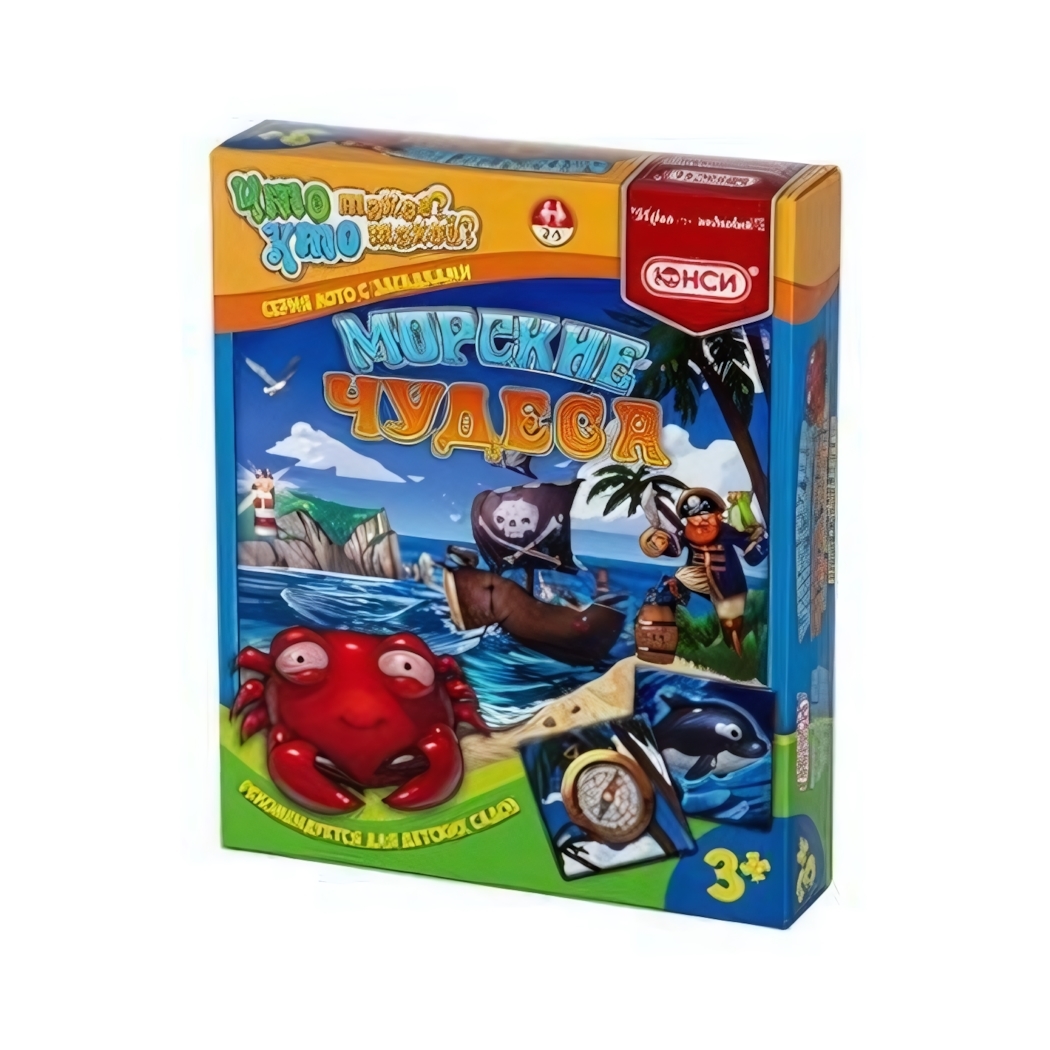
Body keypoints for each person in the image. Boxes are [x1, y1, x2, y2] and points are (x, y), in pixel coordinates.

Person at [639, 487, 768, 656]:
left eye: (706, 516)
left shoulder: (724, 531)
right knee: (679, 580)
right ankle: (733, 647)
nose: (701, 521)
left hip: (729, 586)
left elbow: (751, 550)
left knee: (732, 626)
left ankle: (738, 649)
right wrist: (657, 506)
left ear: (717, 514)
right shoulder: (688, 534)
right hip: (706, 582)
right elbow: (676, 535)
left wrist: (761, 542)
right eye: (695, 518)